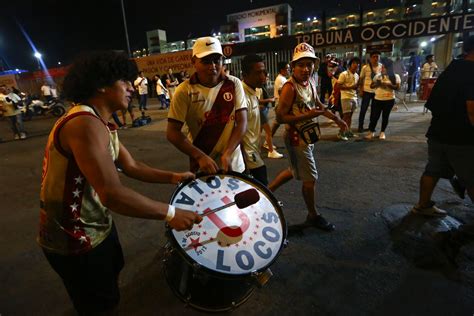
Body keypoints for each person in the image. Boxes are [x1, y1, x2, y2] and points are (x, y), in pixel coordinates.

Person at [38, 51, 202, 315]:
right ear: (101, 84)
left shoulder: (102, 123)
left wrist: (173, 176)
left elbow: (133, 166)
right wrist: (171, 214)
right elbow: (112, 195)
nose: (130, 88)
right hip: (73, 238)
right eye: (124, 81)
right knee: (98, 305)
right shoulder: (83, 123)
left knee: (110, 286)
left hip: (96, 227)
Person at [269, 43, 348, 231]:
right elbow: (280, 117)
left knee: (294, 170)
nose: (306, 69)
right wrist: (309, 115)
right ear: (293, 66)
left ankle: (265, 191)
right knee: (310, 178)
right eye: (301, 64)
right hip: (296, 138)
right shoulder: (289, 87)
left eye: (309, 64)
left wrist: (336, 119)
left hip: (308, 135)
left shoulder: (311, 81)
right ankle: (313, 215)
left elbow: (318, 104)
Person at [412, 35, 474, 217]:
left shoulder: (451, 68)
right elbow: (472, 110)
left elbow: (432, 103)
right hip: (462, 137)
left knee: (432, 170)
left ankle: (422, 205)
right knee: (471, 177)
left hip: (437, 132)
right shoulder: (472, 72)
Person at [167, 37, 247, 174]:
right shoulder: (184, 90)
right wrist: (199, 156)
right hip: (203, 166)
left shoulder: (234, 84)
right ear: (193, 62)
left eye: (217, 60)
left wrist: (228, 152)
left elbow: (242, 122)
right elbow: (172, 132)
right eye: (206, 61)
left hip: (233, 164)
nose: (213, 67)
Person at [241, 54, 270, 185]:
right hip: (248, 159)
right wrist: (244, 164)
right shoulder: (241, 96)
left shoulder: (252, 91)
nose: (263, 76)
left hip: (254, 153)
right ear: (246, 75)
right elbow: (237, 131)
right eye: (258, 73)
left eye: (264, 71)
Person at [364, 59, 401, 140]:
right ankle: (371, 132)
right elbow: (371, 86)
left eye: (384, 67)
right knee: (374, 116)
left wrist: (388, 84)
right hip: (377, 99)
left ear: (389, 68)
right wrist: (378, 83)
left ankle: (382, 132)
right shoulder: (378, 76)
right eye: (382, 67)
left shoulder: (395, 76)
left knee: (385, 116)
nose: (382, 69)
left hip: (389, 99)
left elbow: (397, 88)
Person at [258, 78, 283, 159]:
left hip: (262, 110)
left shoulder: (261, 86)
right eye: (266, 76)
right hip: (261, 111)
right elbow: (257, 100)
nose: (268, 79)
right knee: (268, 131)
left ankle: (256, 150)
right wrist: (269, 99)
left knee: (259, 133)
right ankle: (271, 151)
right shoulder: (258, 87)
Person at [336, 57, 360, 140]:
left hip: (354, 97)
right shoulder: (344, 74)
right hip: (345, 97)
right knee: (346, 116)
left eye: (357, 63)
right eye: (354, 63)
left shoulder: (357, 75)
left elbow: (355, 87)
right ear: (350, 65)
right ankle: (341, 132)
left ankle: (348, 131)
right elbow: (338, 86)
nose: (356, 65)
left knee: (350, 116)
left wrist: (356, 89)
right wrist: (351, 87)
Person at [358, 51, 382, 133]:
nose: (376, 58)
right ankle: (360, 126)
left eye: (377, 57)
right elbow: (361, 79)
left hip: (377, 92)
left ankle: (371, 127)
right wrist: (361, 90)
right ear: (370, 58)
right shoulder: (365, 67)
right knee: (363, 109)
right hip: (366, 91)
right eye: (374, 57)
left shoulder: (381, 67)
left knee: (374, 110)